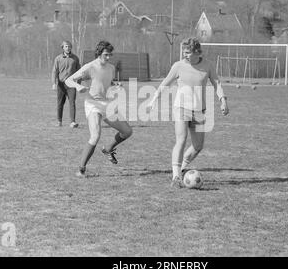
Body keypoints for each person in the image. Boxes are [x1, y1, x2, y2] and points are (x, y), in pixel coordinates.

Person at [148, 37, 229, 188]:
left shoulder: (208, 65)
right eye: (184, 53)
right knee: (181, 140)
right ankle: (176, 176)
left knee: (198, 146)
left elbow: (216, 83)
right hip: (181, 108)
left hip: (199, 111)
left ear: (197, 52)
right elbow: (165, 83)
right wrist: (153, 100)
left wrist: (223, 100)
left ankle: (182, 167)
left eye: (188, 53)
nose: (185, 55)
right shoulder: (178, 66)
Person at [65, 40, 133, 177]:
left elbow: (106, 81)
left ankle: (108, 149)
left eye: (110, 55)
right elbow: (68, 80)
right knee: (95, 135)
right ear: (99, 53)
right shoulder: (90, 67)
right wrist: (78, 86)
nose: (108, 58)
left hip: (107, 104)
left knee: (127, 131)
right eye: (106, 55)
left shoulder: (111, 68)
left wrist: (116, 85)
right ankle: (81, 169)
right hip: (93, 104)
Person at [51, 40, 81, 128]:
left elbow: (79, 72)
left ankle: (72, 122)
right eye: (66, 46)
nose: (68, 48)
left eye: (69, 46)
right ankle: (59, 121)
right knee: (60, 103)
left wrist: (78, 84)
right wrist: (54, 83)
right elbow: (54, 72)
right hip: (61, 84)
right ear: (63, 48)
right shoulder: (58, 58)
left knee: (72, 102)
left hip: (71, 85)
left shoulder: (75, 58)